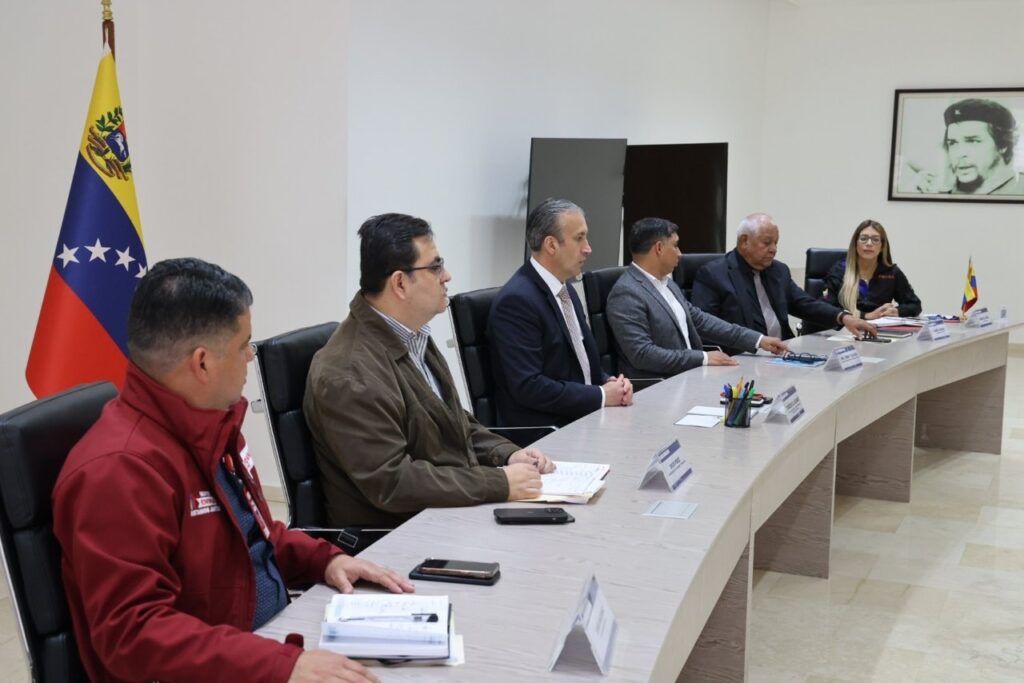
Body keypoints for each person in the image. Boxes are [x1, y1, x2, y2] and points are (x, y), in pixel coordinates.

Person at [53, 257, 414, 683]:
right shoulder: (118, 472)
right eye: (245, 344)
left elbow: (251, 537)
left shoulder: (211, 424)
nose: (251, 355)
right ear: (202, 363)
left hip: (261, 647)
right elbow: (134, 633)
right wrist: (282, 665)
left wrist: (325, 560)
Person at [304, 213, 553, 531]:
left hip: (444, 512)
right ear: (400, 283)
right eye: (435, 267)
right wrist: (498, 483)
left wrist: (506, 456)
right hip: (397, 538)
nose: (446, 276)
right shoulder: (350, 373)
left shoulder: (412, 335)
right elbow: (392, 482)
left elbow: (454, 423)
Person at [488, 198, 633, 429]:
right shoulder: (517, 301)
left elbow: (581, 363)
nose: (588, 248)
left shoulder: (566, 291)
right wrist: (601, 395)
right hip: (548, 431)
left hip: (584, 417)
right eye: (579, 238)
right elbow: (529, 386)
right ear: (551, 245)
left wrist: (609, 382)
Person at [606, 217, 788, 379]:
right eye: (675, 245)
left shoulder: (667, 283)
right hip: (660, 386)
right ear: (659, 248)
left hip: (690, 376)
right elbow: (643, 354)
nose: (680, 253)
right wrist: (703, 358)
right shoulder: (627, 293)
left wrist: (758, 340)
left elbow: (701, 321)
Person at [690, 213, 877, 352]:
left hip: (783, 352)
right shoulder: (713, 274)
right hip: (742, 357)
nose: (773, 249)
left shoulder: (778, 270)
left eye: (776, 243)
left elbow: (804, 303)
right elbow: (706, 328)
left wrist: (843, 317)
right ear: (744, 241)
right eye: (767, 243)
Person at [822, 219, 921, 324]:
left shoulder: (891, 273)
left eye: (875, 239)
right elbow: (826, 307)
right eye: (863, 238)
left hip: (880, 332)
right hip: (843, 331)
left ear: (882, 246)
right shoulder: (840, 270)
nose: (869, 243)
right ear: (855, 244)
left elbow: (914, 304)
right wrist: (866, 316)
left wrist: (897, 311)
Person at [941, 98, 1024, 195]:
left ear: (1003, 145)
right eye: (952, 143)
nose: (959, 154)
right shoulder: (945, 192)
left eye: (973, 141)